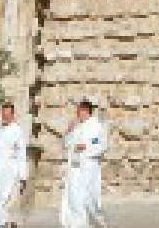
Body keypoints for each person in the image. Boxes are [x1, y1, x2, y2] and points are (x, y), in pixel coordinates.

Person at [60, 98, 108, 228]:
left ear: (86, 111)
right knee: (74, 196)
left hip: (88, 167)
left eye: (79, 111)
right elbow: (65, 144)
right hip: (75, 167)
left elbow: (101, 144)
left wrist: (86, 147)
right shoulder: (77, 126)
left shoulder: (96, 126)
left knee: (89, 197)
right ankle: (77, 224)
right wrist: (69, 130)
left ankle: (95, 223)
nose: (77, 114)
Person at [0, 103, 30, 228]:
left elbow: (21, 154)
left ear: (12, 114)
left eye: (7, 114)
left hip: (11, 172)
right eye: (3, 114)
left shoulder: (17, 131)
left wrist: (23, 176)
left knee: (9, 202)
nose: (5, 116)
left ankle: (8, 224)